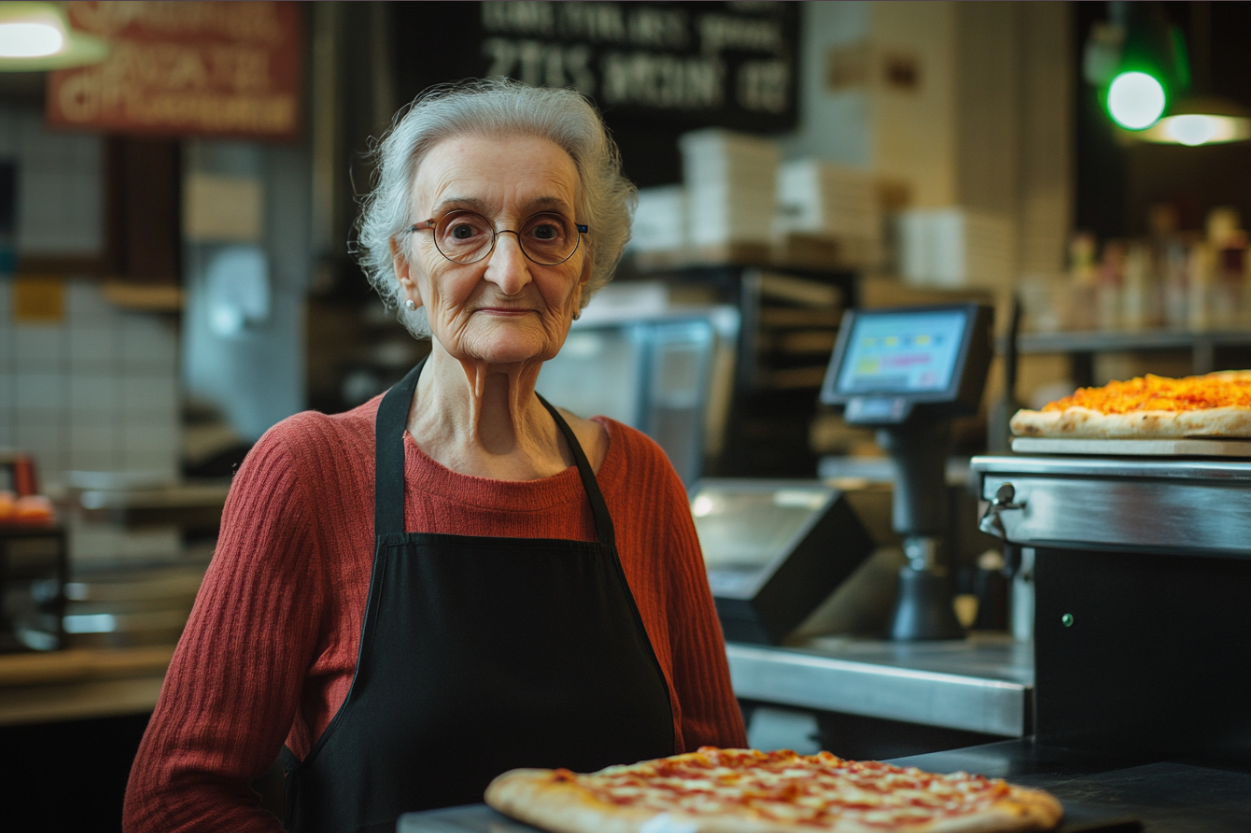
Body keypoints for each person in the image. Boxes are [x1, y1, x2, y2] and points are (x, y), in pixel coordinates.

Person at [123, 79, 746, 833]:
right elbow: (176, 799)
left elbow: (722, 781)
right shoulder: (310, 470)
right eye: (461, 229)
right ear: (407, 269)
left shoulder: (640, 478)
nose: (509, 272)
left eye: (546, 230)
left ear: (583, 274)